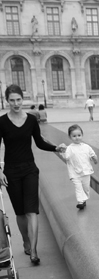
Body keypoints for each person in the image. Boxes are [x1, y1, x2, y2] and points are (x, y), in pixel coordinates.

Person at [0, 84, 66, 264]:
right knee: (20, 213)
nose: (16, 103)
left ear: (23, 99)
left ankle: (34, 251)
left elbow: (38, 142)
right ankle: (26, 241)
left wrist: (55, 148)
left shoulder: (30, 120)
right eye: (12, 100)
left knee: (32, 211)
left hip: (30, 169)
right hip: (11, 171)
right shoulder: (2, 122)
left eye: (18, 100)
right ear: (7, 101)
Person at [59, 124, 98, 210]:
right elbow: (66, 157)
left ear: (82, 135)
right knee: (78, 187)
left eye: (79, 135)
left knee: (86, 188)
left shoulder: (86, 147)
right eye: (74, 136)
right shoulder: (69, 148)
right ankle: (80, 202)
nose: (77, 138)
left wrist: (95, 159)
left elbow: (92, 154)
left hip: (86, 171)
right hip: (74, 172)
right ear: (70, 137)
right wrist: (63, 150)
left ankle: (84, 199)